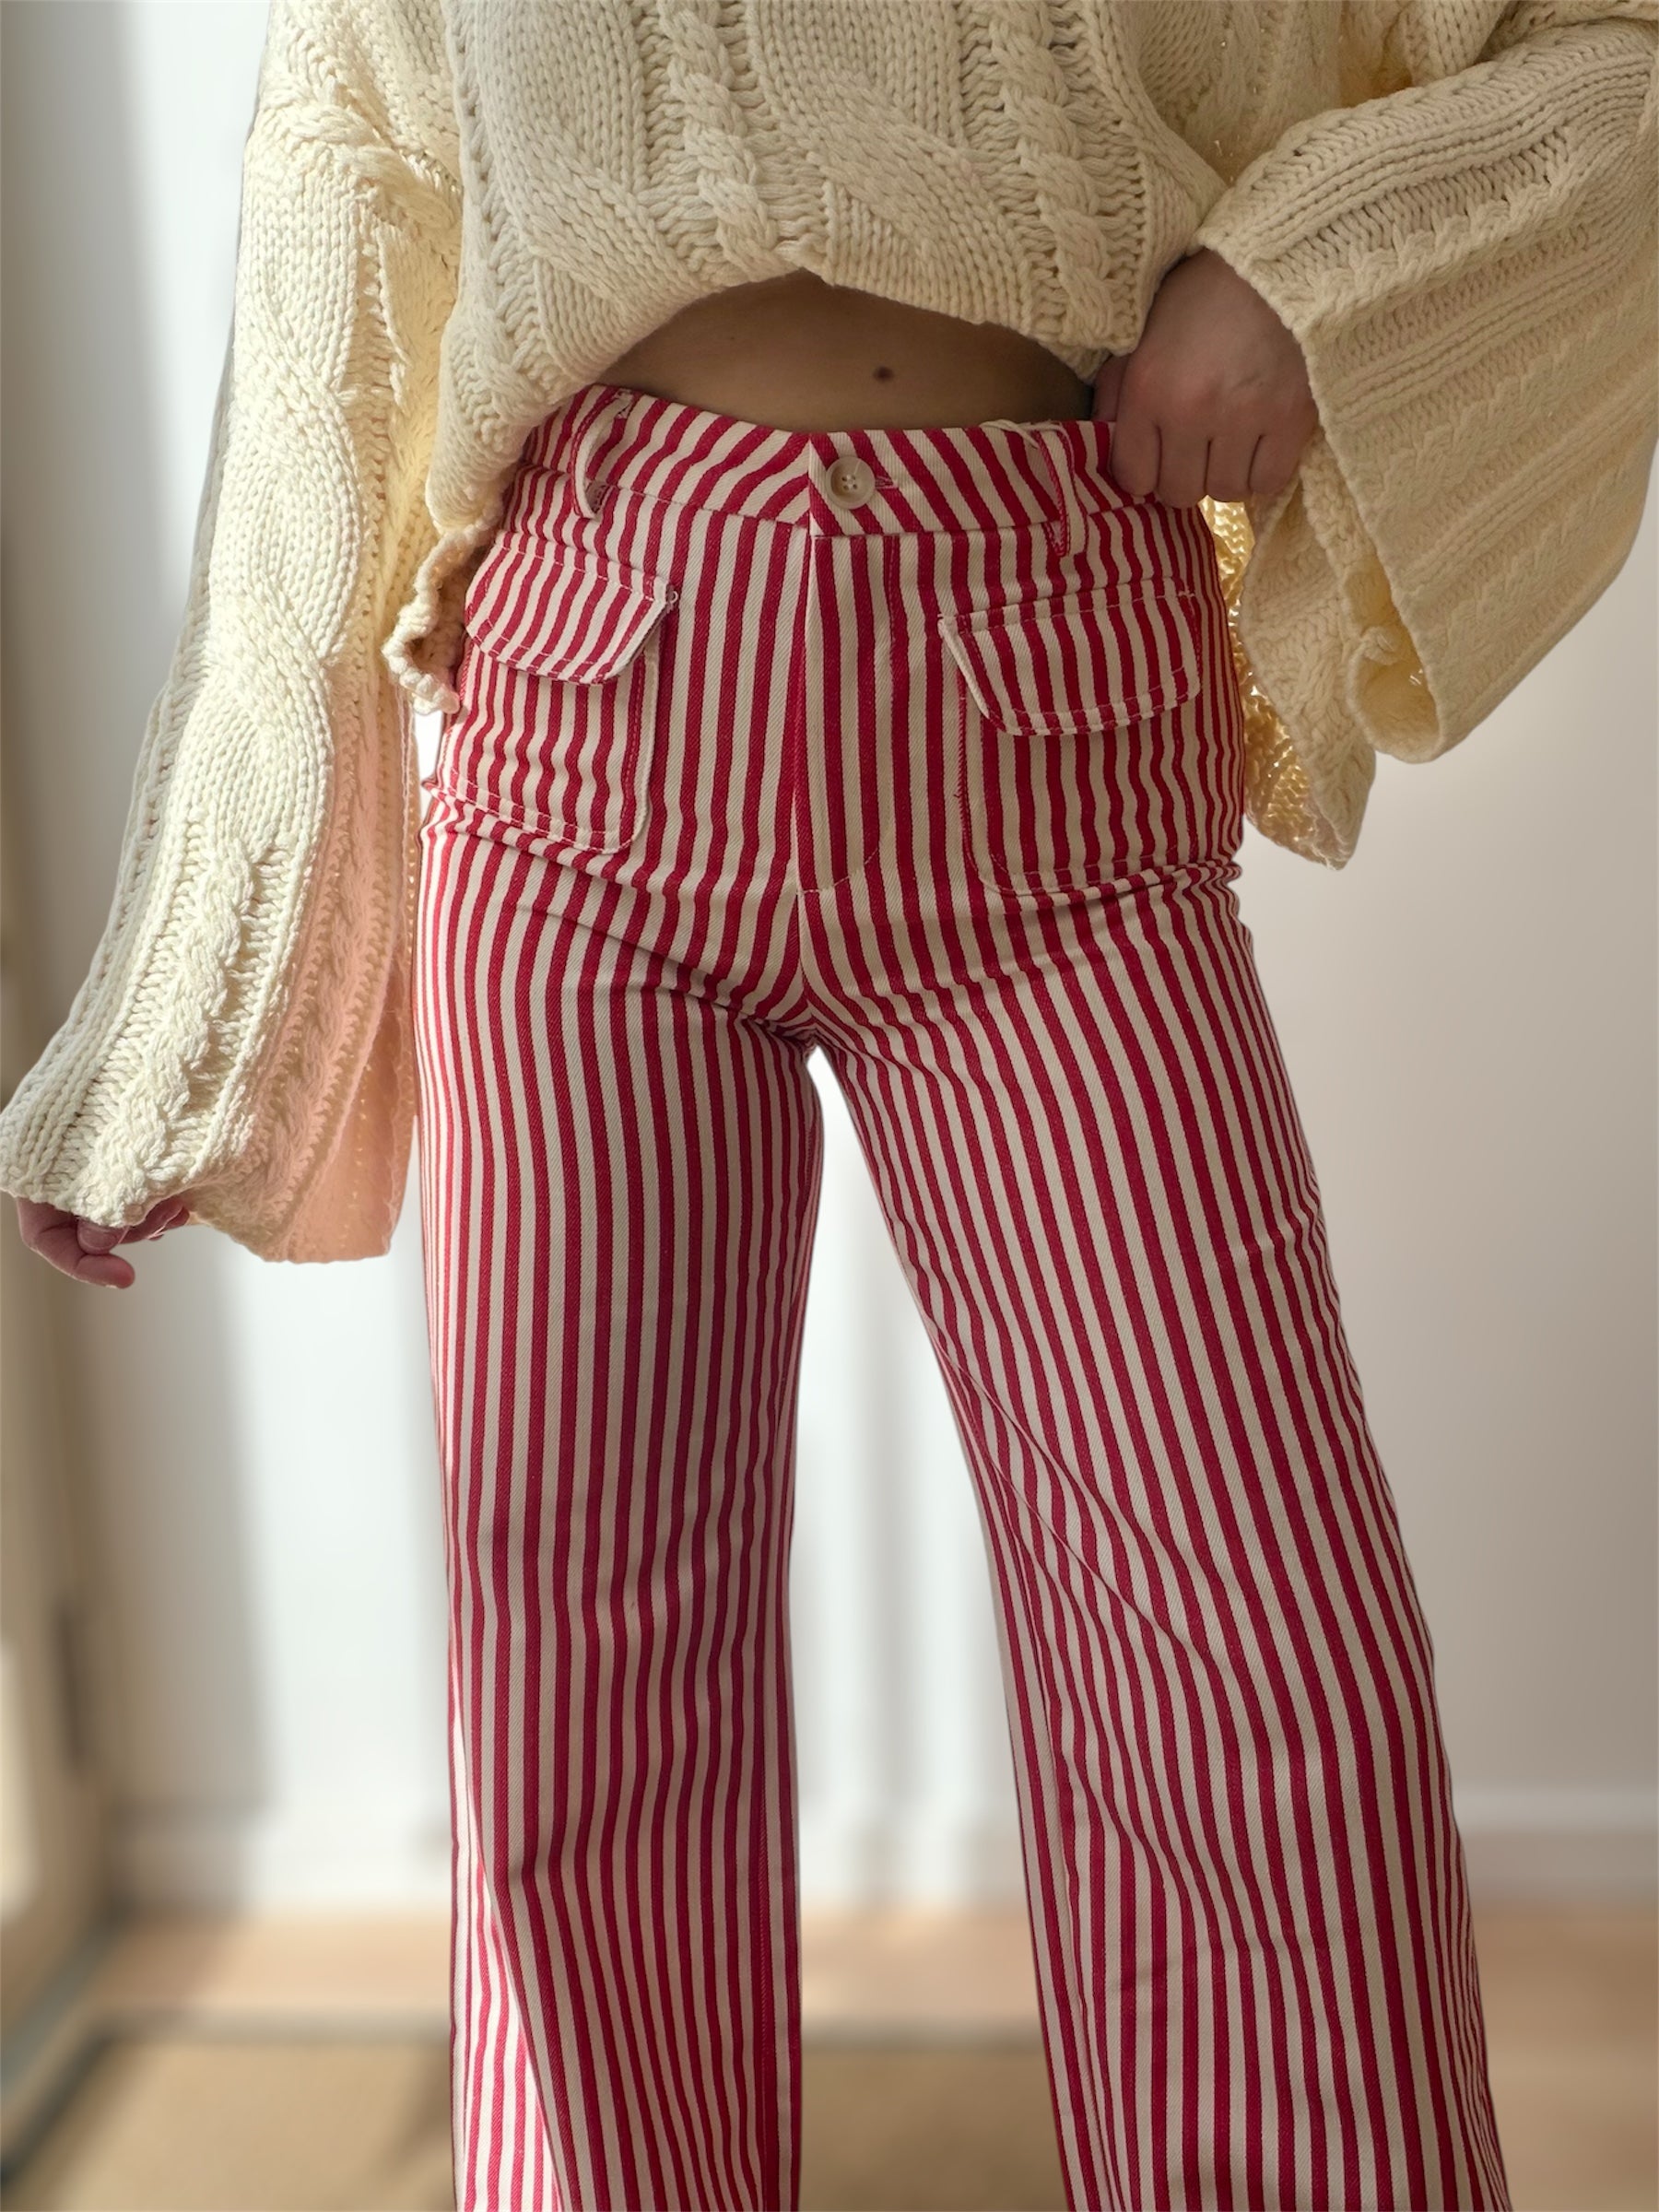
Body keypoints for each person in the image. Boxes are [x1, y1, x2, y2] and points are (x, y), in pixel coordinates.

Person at [5, 5, 1653, 2206]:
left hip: (1054, 741)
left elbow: (1608, 60)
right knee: (579, 1716)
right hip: (590, 729)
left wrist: (1308, 275)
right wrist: (188, 1005)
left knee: (1269, 1689)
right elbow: (345, 206)